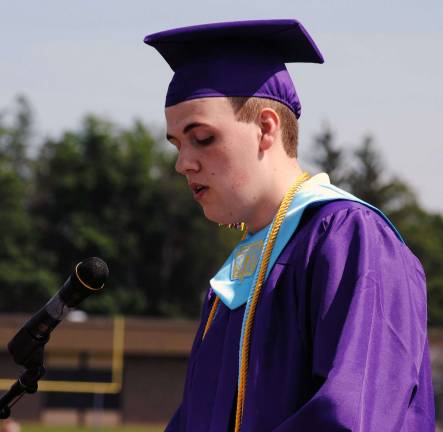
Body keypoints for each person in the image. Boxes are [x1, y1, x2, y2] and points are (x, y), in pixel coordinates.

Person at [144, 19, 435, 431]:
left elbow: (354, 418)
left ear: (266, 128)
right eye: (176, 143)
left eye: (202, 138)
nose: (182, 163)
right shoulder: (237, 277)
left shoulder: (350, 238)